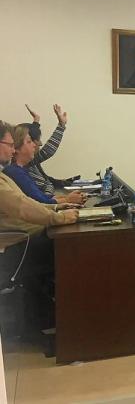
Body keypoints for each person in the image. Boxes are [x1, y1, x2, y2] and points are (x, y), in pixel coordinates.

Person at [0, 120, 79, 331]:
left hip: (19, 239)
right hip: (11, 248)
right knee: (70, 250)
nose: (12, 150)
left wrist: (56, 209)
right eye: (10, 145)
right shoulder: (7, 176)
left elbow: (29, 202)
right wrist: (58, 217)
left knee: (65, 243)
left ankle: (50, 314)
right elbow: (22, 206)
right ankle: (61, 317)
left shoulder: (5, 175)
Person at [4, 125, 86, 205]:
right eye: (29, 142)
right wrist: (68, 199)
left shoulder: (21, 170)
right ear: (16, 148)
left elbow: (42, 197)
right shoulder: (15, 172)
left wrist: (68, 197)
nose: (34, 145)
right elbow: (40, 202)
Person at [22, 104, 83, 203]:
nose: (40, 144)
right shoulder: (21, 165)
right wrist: (61, 126)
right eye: (31, 141)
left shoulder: (29, 163)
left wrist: (36, 121)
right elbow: (47, 151)